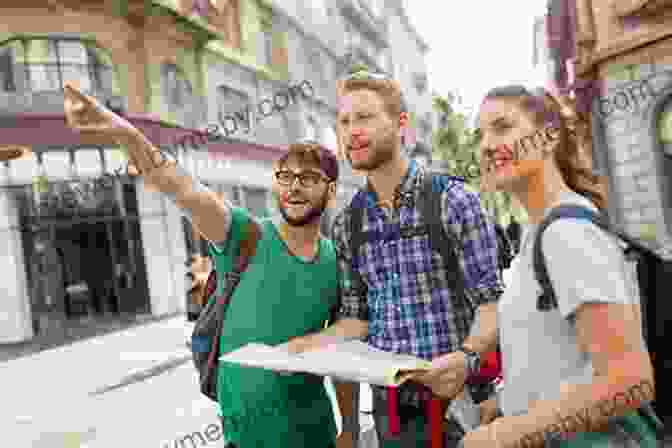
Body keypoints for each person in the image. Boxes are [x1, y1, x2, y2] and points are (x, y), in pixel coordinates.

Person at [62, 82, 356, 448]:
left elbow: (343, 356)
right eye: (286, 177)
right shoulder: (244, 235)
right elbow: (177, 184)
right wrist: (122, 130)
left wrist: (351, 429)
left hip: (315, 438)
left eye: (309, 178)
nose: (295, 187)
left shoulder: (337, 263)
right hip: (242, 440)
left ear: (330, 191)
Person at [419, 85, 657, 447]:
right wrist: (509, 402)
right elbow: (563, 360)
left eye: (502, 127)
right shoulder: (539, 231)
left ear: (548, 138)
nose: (485, 144)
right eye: (480, 134)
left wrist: (506, 434)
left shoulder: (566, 233)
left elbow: (629, 382)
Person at [286, 70, 504, 448]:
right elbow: (356, 319)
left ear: (401, 124)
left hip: (463, 404)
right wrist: (307, 344)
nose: (352, 130)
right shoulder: (347, 224)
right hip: (392, 414)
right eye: (344, 121)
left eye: (365, 117)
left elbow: (492, 304)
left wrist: (467, 359)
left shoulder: (454, 201)